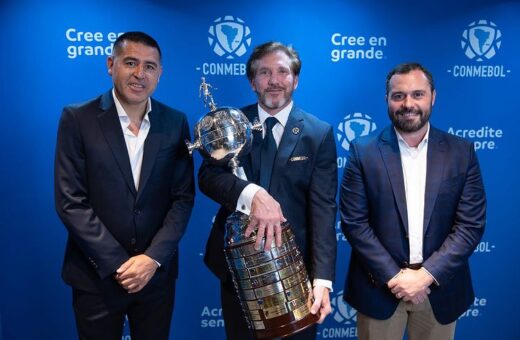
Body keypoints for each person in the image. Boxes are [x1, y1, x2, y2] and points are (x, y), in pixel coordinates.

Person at [54, 31, 195, 340]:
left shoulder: (175, 122)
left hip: (155, 277)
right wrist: (120, 264)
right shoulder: (78, 118)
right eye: (130, 62)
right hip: (96, 276)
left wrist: (152, 259)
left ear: (159, 73)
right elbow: (70, 201)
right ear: (110, 64)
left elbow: (182, 198)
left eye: (149, 66)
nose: (139, 74)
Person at [199, 41, 338, 340]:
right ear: (252, 82)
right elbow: (208, 177)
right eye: (264, 73)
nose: (274, 80)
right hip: (239, 269)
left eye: (282, 72)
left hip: (295, 273)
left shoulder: (318, 133)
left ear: (295, 79)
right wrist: (251, 194)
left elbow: (323, 211)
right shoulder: (230, 124)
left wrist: (322, 279)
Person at [339, 62, 486, 340]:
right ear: (387, 100)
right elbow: (354, 223)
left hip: (439, 290)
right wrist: (396, 278)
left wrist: (426, 275)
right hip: (379, 288)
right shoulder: (363, 151)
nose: (408, 103)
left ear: (433, 96)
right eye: (399, 96)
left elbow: (470, 224)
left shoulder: (461, 152)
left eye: (417, 94)